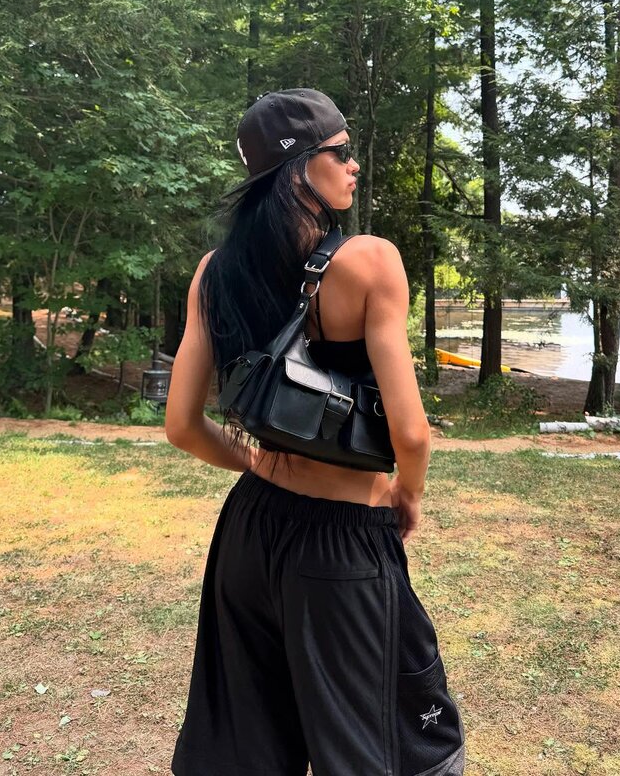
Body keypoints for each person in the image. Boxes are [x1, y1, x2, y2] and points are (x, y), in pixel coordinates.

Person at [165, 88, 465, 776]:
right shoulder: (370, 261)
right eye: (341, 151)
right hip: (343, 542)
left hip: (247, 532)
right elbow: (412, 433)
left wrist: (256, 465)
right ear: (298, 167)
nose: (354, 165)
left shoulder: (214, 272)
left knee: (246, 748)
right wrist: (409, 495)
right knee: (381, 748)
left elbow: (181, 425)